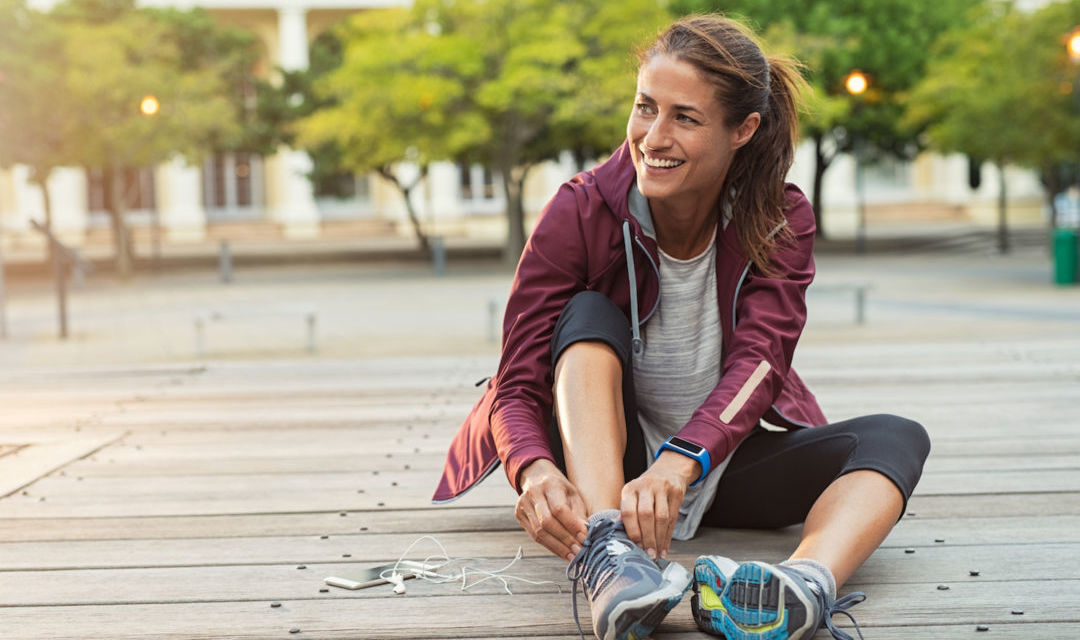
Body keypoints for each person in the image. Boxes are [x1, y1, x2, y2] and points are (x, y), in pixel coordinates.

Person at [433, 14, 930, 640]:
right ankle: (612, 558)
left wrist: (682, 461)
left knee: (895, 438)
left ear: (743, 130)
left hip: (716, 463)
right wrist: (532, 468)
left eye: (685, 118)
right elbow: (516, 378)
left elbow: (762, 364)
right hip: (607, 469)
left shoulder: (780, 218)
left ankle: (802, 588)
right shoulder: (581, 208)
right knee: (586, 315)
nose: (653, 137)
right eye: (645, 108)